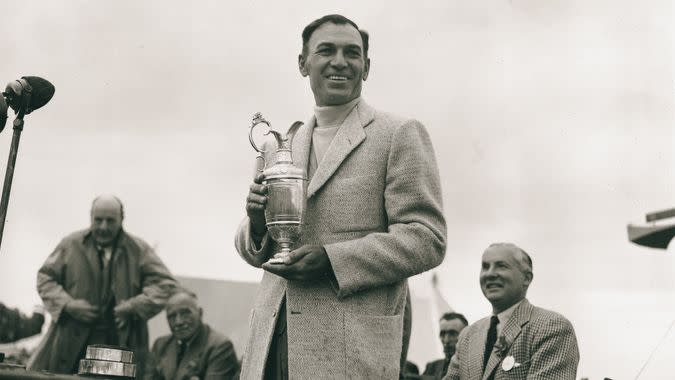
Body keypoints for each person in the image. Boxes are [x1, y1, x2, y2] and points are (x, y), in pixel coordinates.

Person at [235, 14, 447, 379]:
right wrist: (256, 226)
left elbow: (427, 238)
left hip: (349, 356)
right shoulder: (281, 144)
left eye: (352, 52)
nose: (339, 61)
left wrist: (332, 261)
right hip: (271, 345)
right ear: (303, 64)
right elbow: (255, 250)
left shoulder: (399, 133)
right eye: (326, 50)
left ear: (366, 66)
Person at [29, 195, 177, 376]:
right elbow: (45, 278)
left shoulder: (138, 250)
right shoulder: (71, 244)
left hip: (122, 345)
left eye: (110, 221)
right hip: (70, 343)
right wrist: (68, 305)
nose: (103, 227)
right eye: (98, 220)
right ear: (90, 217)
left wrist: (134, 306)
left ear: (122, 220)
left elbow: (166, 285)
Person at [444, 243, 579, 380]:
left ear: (526, 278)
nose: (490, 274)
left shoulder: (551, 327)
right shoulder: (468, 336)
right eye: (485, 267)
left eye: (501, 266)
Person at [146, 289, 239, 380]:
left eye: (185, 313)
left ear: (200, 313)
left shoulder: (220, 347)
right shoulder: (160, 345)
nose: (178, 322)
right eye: (172, 316)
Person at [422, 312, 468, 379]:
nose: (446, 340)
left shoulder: (471, 369)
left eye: (453, 334)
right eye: (442, 334)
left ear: (466, 336)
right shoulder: (432, 367)